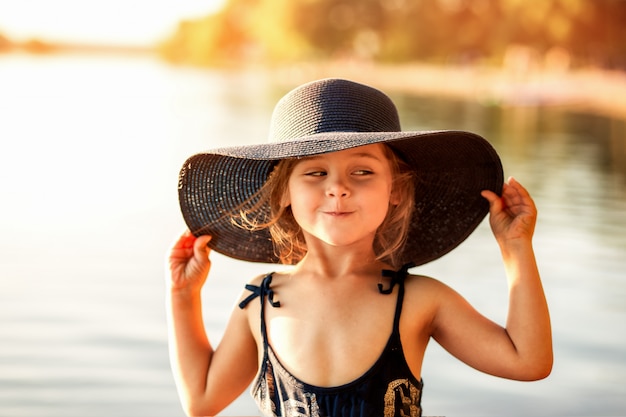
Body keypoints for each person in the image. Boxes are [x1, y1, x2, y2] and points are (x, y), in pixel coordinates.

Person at [167, 78, 552, 417]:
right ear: (283, 191)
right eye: (315, 172)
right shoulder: (260, 299)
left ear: (396, 189)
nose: (338, 188)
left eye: (362, 171)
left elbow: (528, 361)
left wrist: (516, 248)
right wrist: (183, 297)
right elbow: (202, 401)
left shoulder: (421, 299)